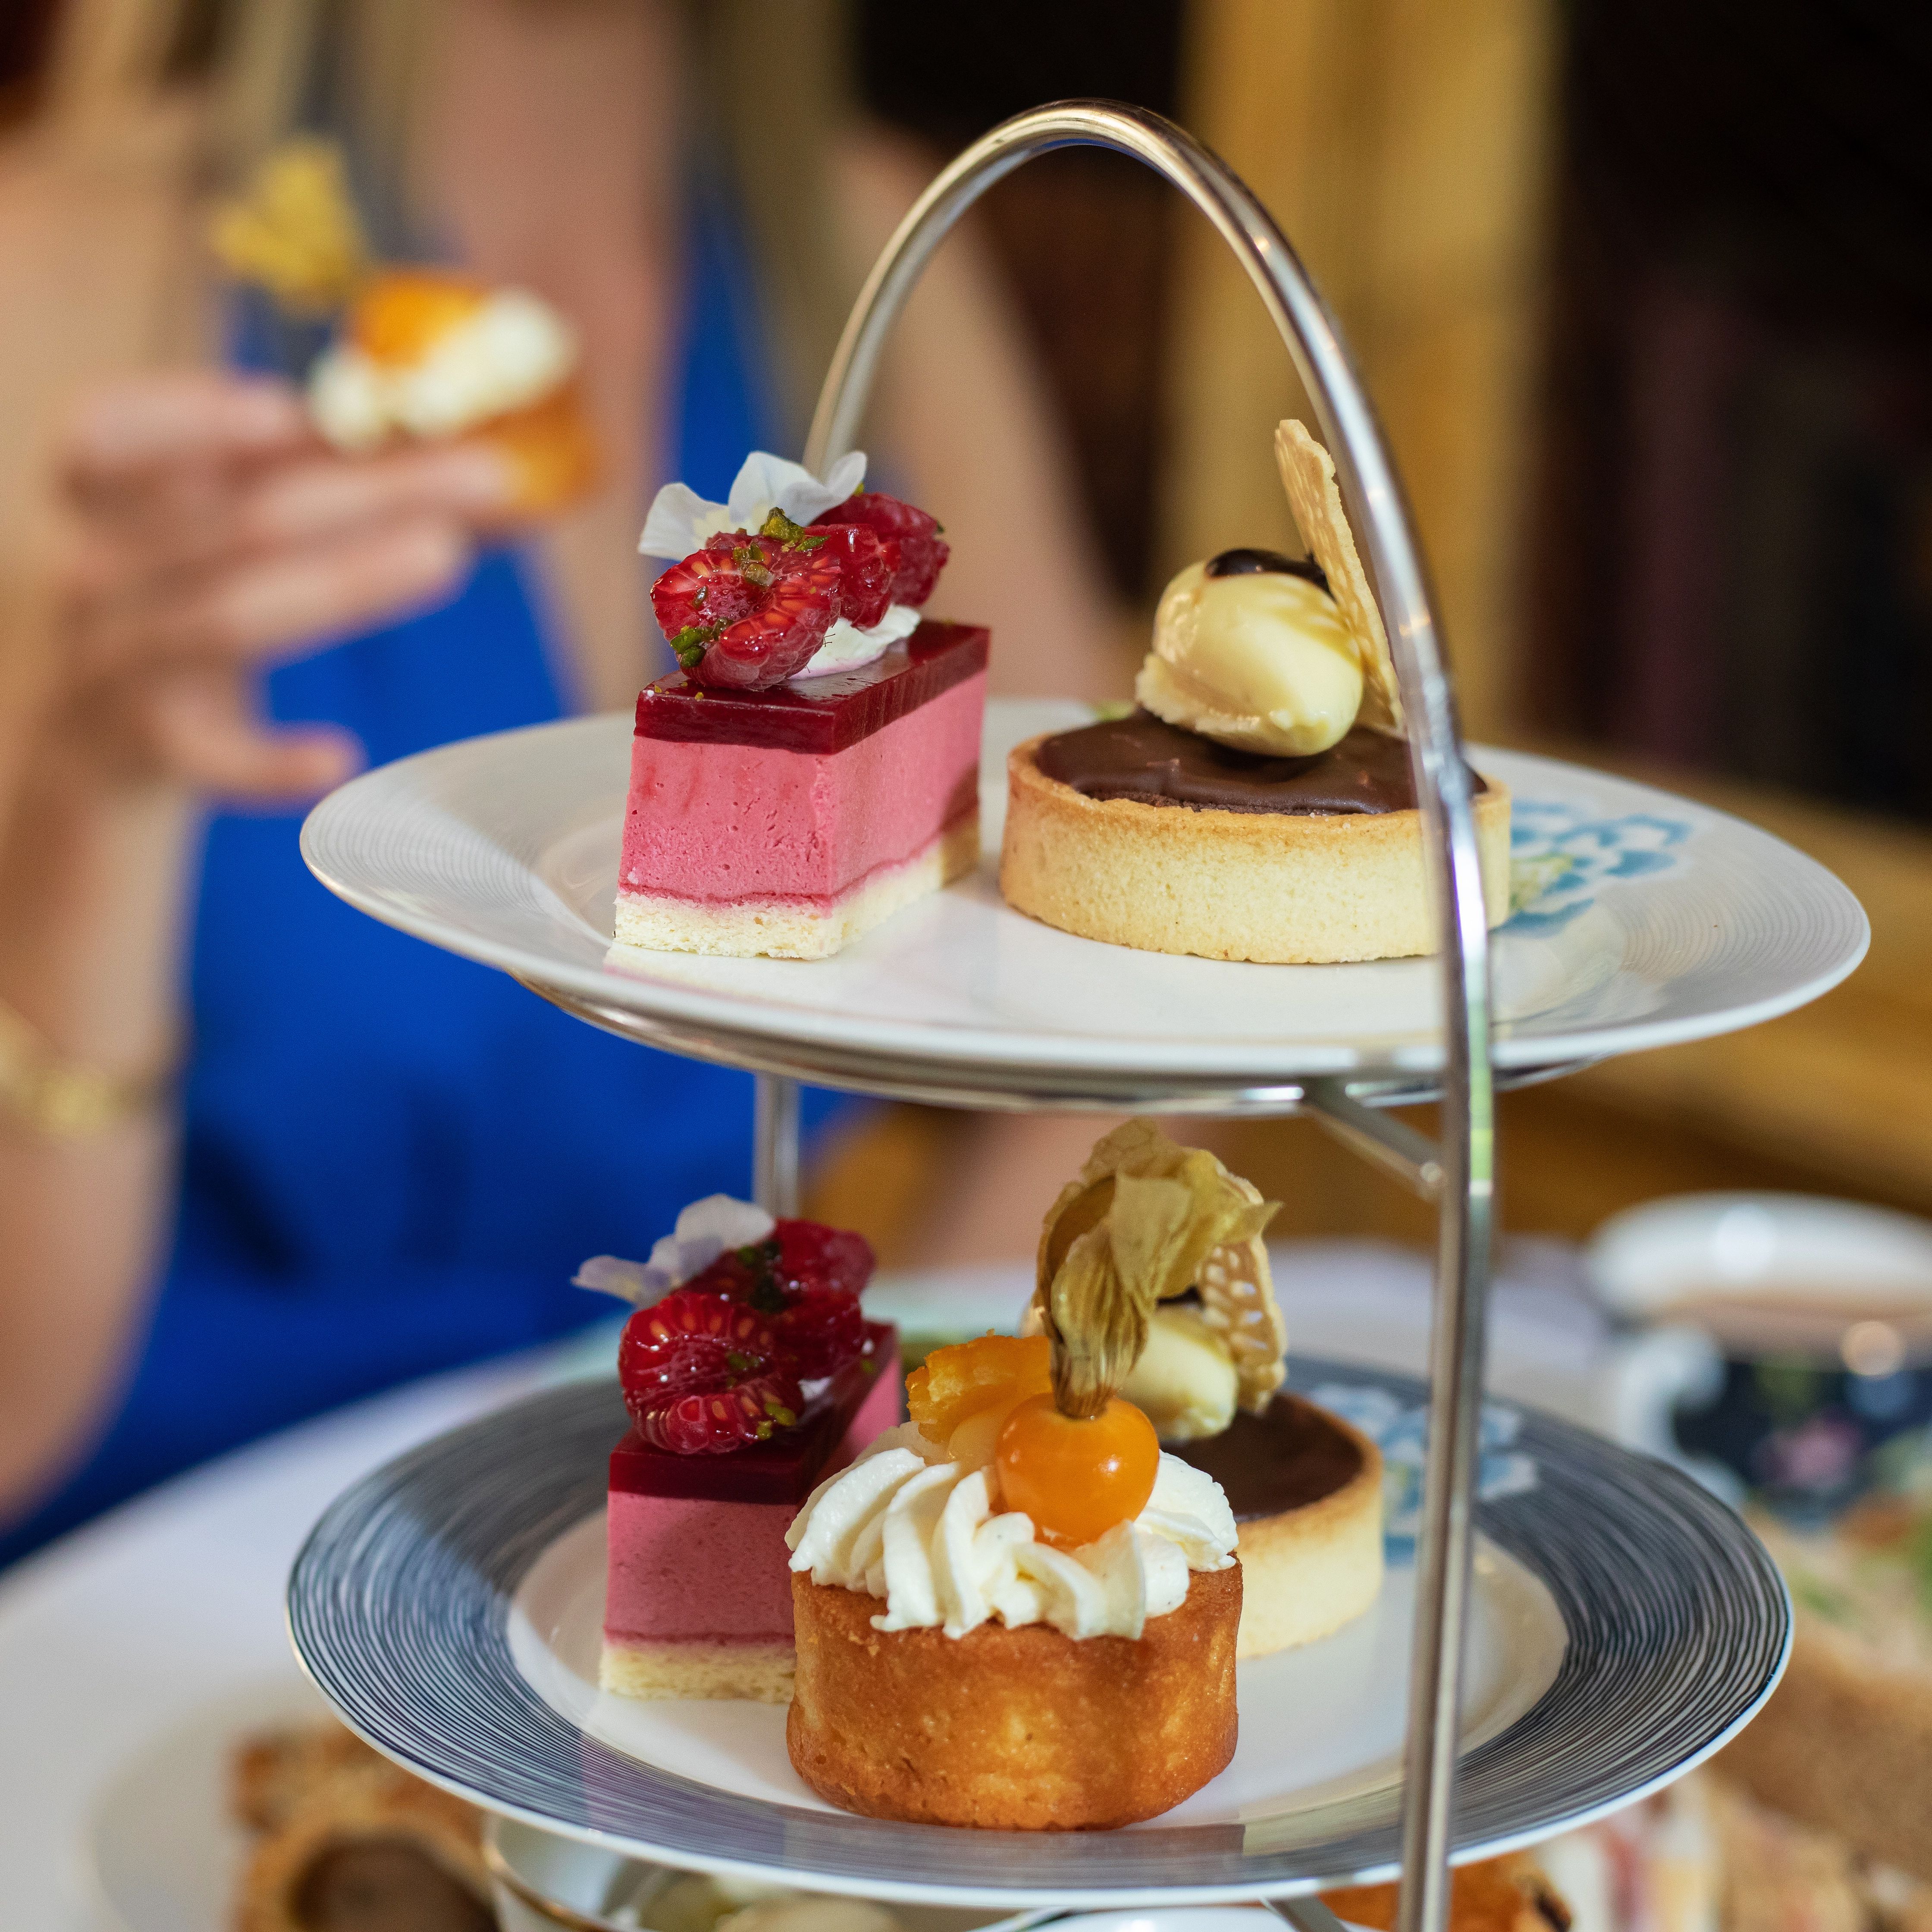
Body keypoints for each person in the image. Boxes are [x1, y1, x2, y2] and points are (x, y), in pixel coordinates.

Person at [0, 0, 1127, 1559]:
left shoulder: (873, 251)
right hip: (147, 1602)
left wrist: (857, 1484)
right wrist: (91, 799)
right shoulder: (53, 276)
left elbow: (1118, 998)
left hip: (664, 1592)